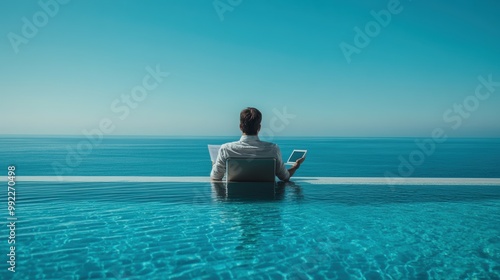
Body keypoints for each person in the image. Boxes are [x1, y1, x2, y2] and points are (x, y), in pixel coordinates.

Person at [210, 107, 305, 181]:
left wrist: (214, 164)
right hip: (267, 201)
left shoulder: (226, 149)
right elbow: (284, 177)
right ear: (259, 127)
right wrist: (295, 166)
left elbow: (216, 177)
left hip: (236, 203)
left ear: (240, 127)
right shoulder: (273, 149)